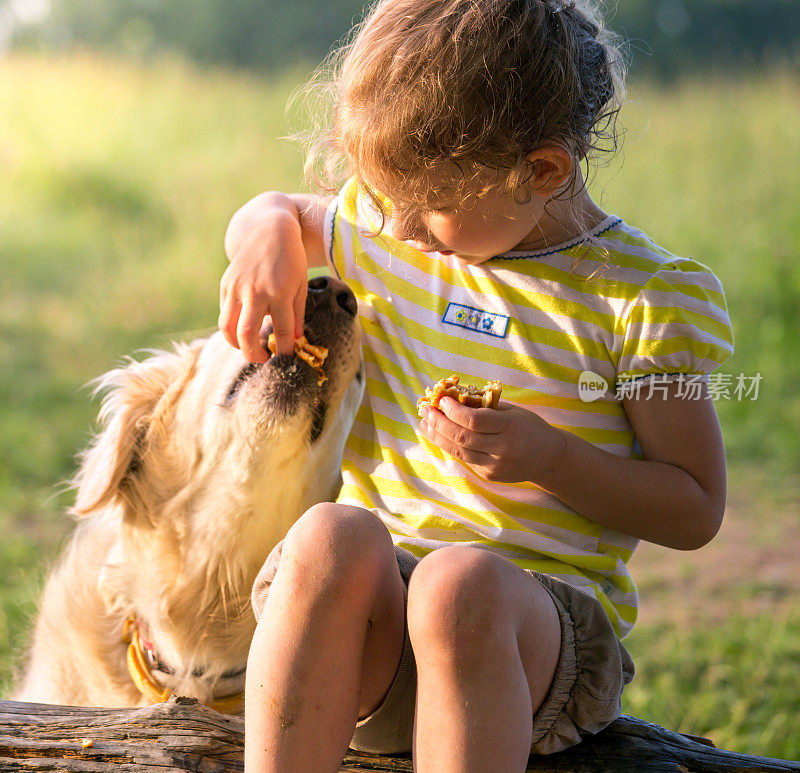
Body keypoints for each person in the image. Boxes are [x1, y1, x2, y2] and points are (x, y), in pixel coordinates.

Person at [218, 0, 734, 770]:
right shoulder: (396, 230)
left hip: (532, 642)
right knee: (329, 535)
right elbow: (289, 212)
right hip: (375, 637)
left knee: (460, 585)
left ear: (543, 169)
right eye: (385, 199)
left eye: (430, 206)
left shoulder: (641, 296)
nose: (398, 230)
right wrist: (262, 229)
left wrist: (549, 458)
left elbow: (695, 506)